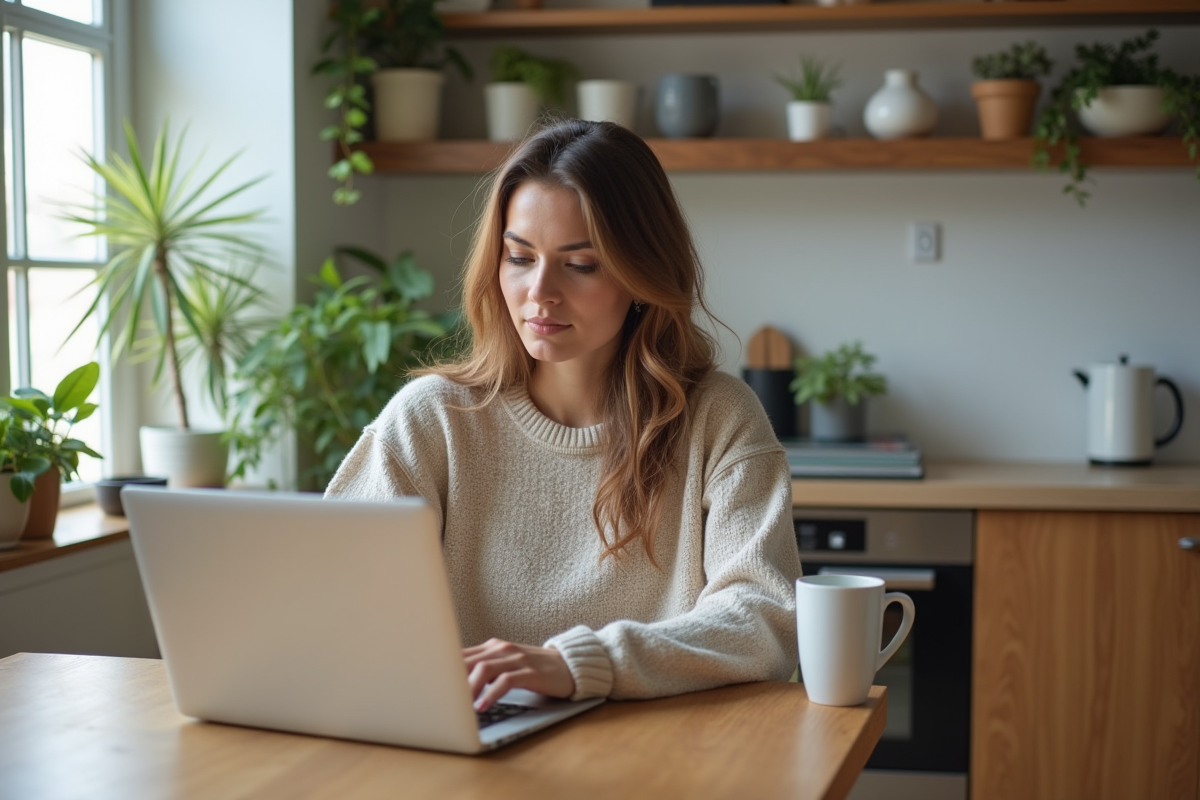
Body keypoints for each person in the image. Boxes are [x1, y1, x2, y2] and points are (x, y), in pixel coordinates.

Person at [325, 119, 802, 712]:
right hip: (470, 752)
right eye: (519, 257)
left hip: (665, 757)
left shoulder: (719, 418)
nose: (539, 292)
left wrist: (579, 665)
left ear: (643, 274)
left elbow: (766, 621)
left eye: (581, 265)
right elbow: (335, 610)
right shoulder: (432, 421)